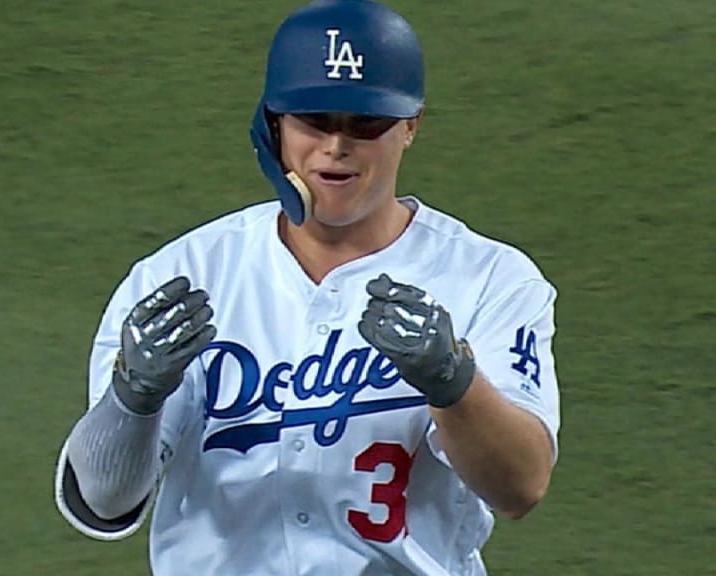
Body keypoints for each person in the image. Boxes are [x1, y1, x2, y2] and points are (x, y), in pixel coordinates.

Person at [53, 1, 561, 574]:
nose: (336, 146)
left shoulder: (490, 279)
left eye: (364, 124)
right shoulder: (181, 277)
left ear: (411, 125)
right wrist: (133, 397)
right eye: (315, 119)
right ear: (274, 124)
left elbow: (522, 486)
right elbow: (104, 500)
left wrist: (453, 382)